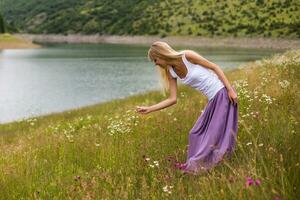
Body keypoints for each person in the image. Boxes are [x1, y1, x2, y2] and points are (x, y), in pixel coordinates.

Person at [135, 41, 238, 175]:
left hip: (222, 94)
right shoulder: (171, 72)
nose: (156, 64)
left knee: (213, 135)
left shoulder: (187, 56)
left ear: (161, 55)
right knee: (195, 133)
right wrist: (150, 109)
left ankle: (206, 166)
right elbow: (172, 99)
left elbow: (214, 67)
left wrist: (230, 90)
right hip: (213, 100)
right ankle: (199, 165)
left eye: (155, 60)